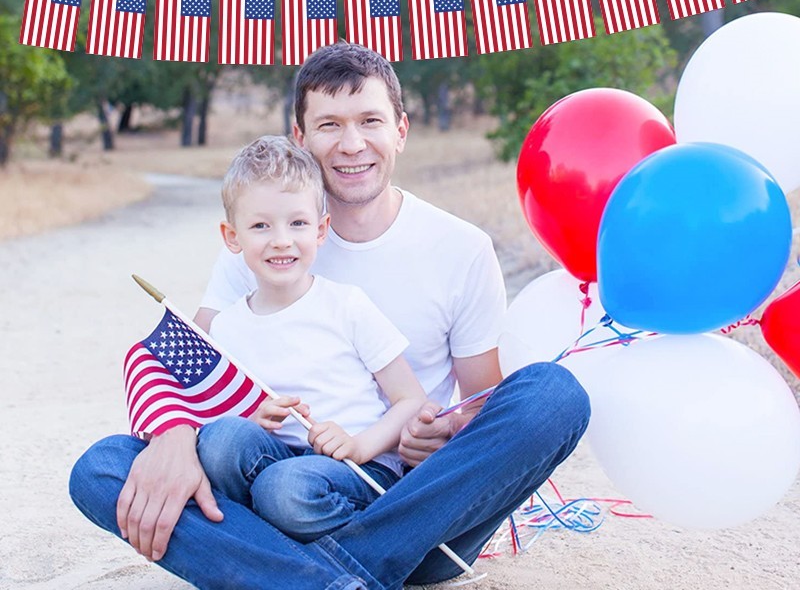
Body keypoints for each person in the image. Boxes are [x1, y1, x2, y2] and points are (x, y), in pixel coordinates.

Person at [70, 42, 590, 589]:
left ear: (401, 131)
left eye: (370, 121)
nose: (351, 144)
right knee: (102, 467)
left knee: (553, 394)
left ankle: (302, 575)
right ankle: (331, 579)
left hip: (415, 509)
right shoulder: (269, 240)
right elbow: (190, 366)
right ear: (300, 137)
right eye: (328, 125)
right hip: (270, 486)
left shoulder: (461, 248)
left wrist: (439, 430)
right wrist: (171, 437)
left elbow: (481, 405)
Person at [199, 134, 426, 542]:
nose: (281, 239)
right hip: (278, 460)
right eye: (260, 225)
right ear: (232, 237)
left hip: (358, 467)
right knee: (220, 439)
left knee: (284, 490)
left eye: (298, 223)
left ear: (321, 230)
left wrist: (359, 446)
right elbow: (225, 419)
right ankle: (268, 546)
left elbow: (411, 400)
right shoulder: (227, 328)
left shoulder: (346, 305)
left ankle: (351, 547)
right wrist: (254, 419)